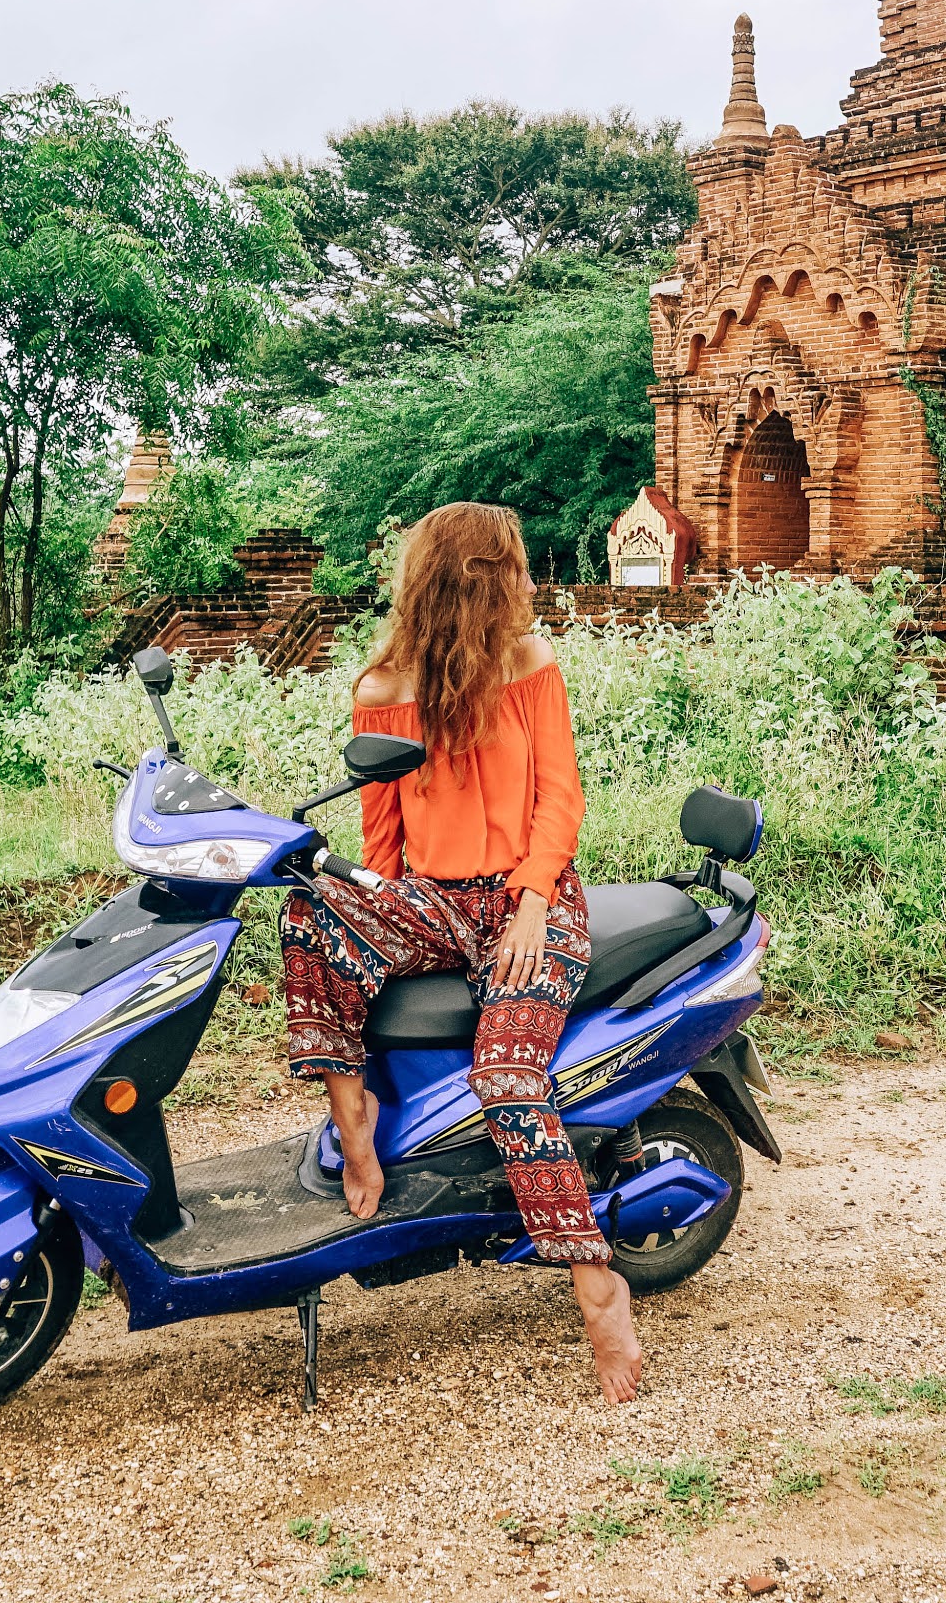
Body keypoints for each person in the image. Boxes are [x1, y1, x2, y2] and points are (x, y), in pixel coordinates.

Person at [278, 501, 644, 1404]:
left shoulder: (529, 663)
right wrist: (380, 923)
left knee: (510, 1081)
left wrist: (528, 907)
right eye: (514, 567)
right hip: (438, 902)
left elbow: (560, 798)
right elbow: (384, 843)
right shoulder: (384, 689)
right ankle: (353, 1118)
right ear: (476, 578)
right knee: (308, 912)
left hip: (536, 900)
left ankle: (596, 1282)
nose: (528, 583)